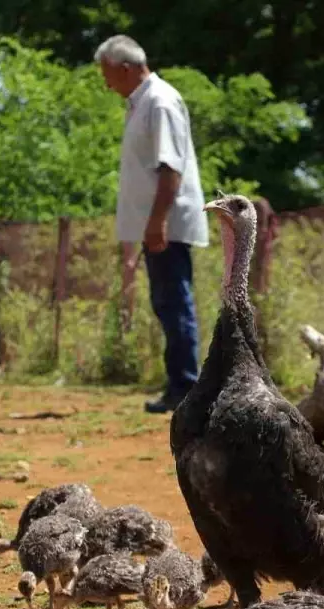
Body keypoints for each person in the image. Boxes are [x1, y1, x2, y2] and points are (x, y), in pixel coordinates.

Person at [96, 34, 209, 414]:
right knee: (166, 303)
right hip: (156, 223)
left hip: (166, 224)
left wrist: (158, 220)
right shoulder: (142, 102)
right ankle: (179, 384)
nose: (106, 83)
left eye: (108, 74)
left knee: (174, 303)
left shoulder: (159, 102)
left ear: (126, 69)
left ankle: (186, 388)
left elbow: (170, 167)